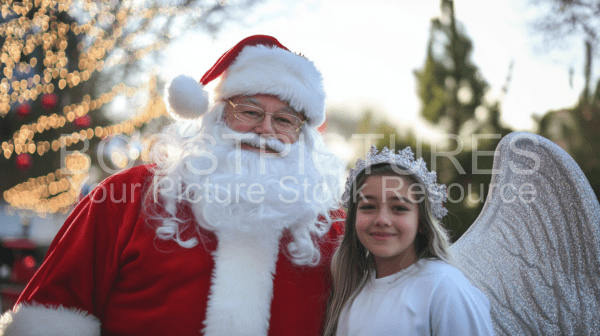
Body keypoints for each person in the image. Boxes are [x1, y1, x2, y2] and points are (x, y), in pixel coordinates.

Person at [0, 35, 345, 336]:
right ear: (216, 115)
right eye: (249, 112)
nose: (265, 130)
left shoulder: (333, 229)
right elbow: (50, 313)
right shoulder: (126, 197)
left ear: (303, 136)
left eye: (284, 120)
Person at [324, 146, 494, 335]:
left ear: (421, 222)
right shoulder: (353, 292)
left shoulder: (443, 286)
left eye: (399, 208)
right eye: (369, 206)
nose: (382, 220)